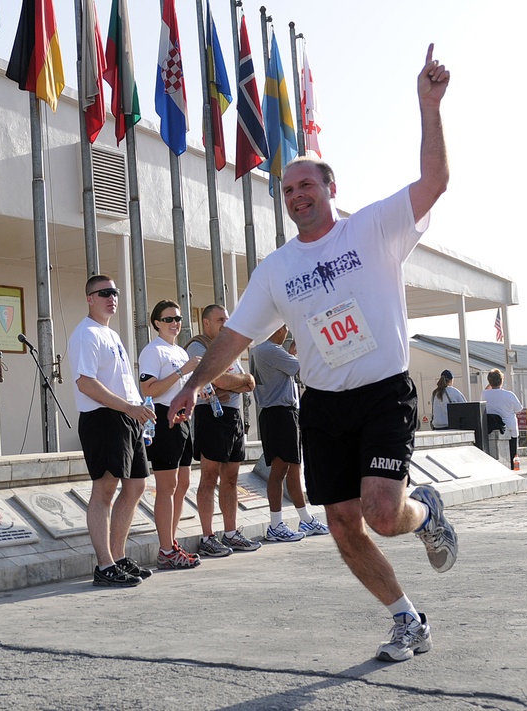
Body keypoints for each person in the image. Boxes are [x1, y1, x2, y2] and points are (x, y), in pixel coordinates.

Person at [169, 46, 457, 662]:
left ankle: (423, 510)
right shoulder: (277, 269)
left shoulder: (373, 228)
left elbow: (434, 183)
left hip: (383, 392)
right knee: (343, 524)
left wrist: (428, 107)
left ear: (331, 188)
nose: (296, 195)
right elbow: (235, 337)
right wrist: (194, 383)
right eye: (288, 189)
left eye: (307, 185)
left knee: (383, 512)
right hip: (323, 406)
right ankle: (408, 620)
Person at [67, 275, 157, 587]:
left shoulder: (110, 333)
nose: (112, 297)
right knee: (104, 489)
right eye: (104, 293)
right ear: (89, 298)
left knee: (136, 487)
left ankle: (118, 557)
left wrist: (137, 410)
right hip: (103, 418)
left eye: (115, 292)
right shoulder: (85, 334)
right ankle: (104, 565)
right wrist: (128, 408)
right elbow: (85, 382)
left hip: (127, 418)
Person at [186, 305, 258, 558]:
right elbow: (218, 381)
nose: (225, 323)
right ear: (206, 323)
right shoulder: (198, 346)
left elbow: (249, 381)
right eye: (219, 319)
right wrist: (238, 383)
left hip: (234, 416)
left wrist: (237, 384)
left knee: (231, 478)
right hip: (212, 416)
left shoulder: (229, 347)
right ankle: (207, 537)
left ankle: (230, 533)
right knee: (209, 478)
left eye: (227, 319)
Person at [250, 325, 330, 542]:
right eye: (284, 327)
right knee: (279, 471)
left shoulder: (264, 350)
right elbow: (303, 369)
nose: (286, 331)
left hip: (282, 413)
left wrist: (293, 352)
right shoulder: (270, 350)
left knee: (293, 468)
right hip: (278, 414)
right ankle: (275, 524)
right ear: (275, 329)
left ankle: (305, 518)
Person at [138, 300, 202, 570]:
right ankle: (165, 549)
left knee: (183, 483)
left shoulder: (178, 350)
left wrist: (196, 392)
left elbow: (185, 387)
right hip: (164, 420)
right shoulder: (153, 351)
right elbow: (148, 389)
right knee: (166, 487)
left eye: (178, 318)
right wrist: (182, 371)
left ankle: (171, 542)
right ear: (156, 323)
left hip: (182, 419)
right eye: (168, 319)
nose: (175, 323)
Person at [482, 368, 522, 469]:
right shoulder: (509, 395)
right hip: (509, 427)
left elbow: (486, 391)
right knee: (512, 454)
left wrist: (490, 384)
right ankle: (513, 466)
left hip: (491, 427)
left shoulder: (485, 394)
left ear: (489, 381)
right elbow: (519, 409)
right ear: (502, 380)